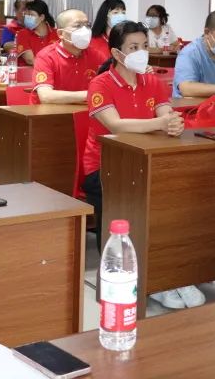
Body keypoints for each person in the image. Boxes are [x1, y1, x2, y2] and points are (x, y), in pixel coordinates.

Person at [81, 21, 191, 309]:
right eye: (133, 47)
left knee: (174, 203)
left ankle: (166, 275)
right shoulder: (100, 83)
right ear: (117, 54)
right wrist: (160, 123)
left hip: (145, 160)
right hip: (105, 167)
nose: (141, 52)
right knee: (135, 207)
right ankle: (136, 280)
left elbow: (166, 114)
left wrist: (173, 123)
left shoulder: (152, 81)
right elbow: (115, 125)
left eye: (144, 46)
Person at [33, 9, 108, 104]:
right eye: (78, 26)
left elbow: (110, 86)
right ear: (61, 34)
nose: (85, 30)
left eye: (87, 25)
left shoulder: (96, 55)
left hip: (84, 110)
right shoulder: (46, 56)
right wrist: (91, 94)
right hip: (51, 111)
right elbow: (46, 96)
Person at [15, 0, 58, 66]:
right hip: (29, 71)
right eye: (26, 15)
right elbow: (30, 60)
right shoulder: (23, 34)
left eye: (31, 15)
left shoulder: (57, 34)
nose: (27, 18)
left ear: (42, 17)